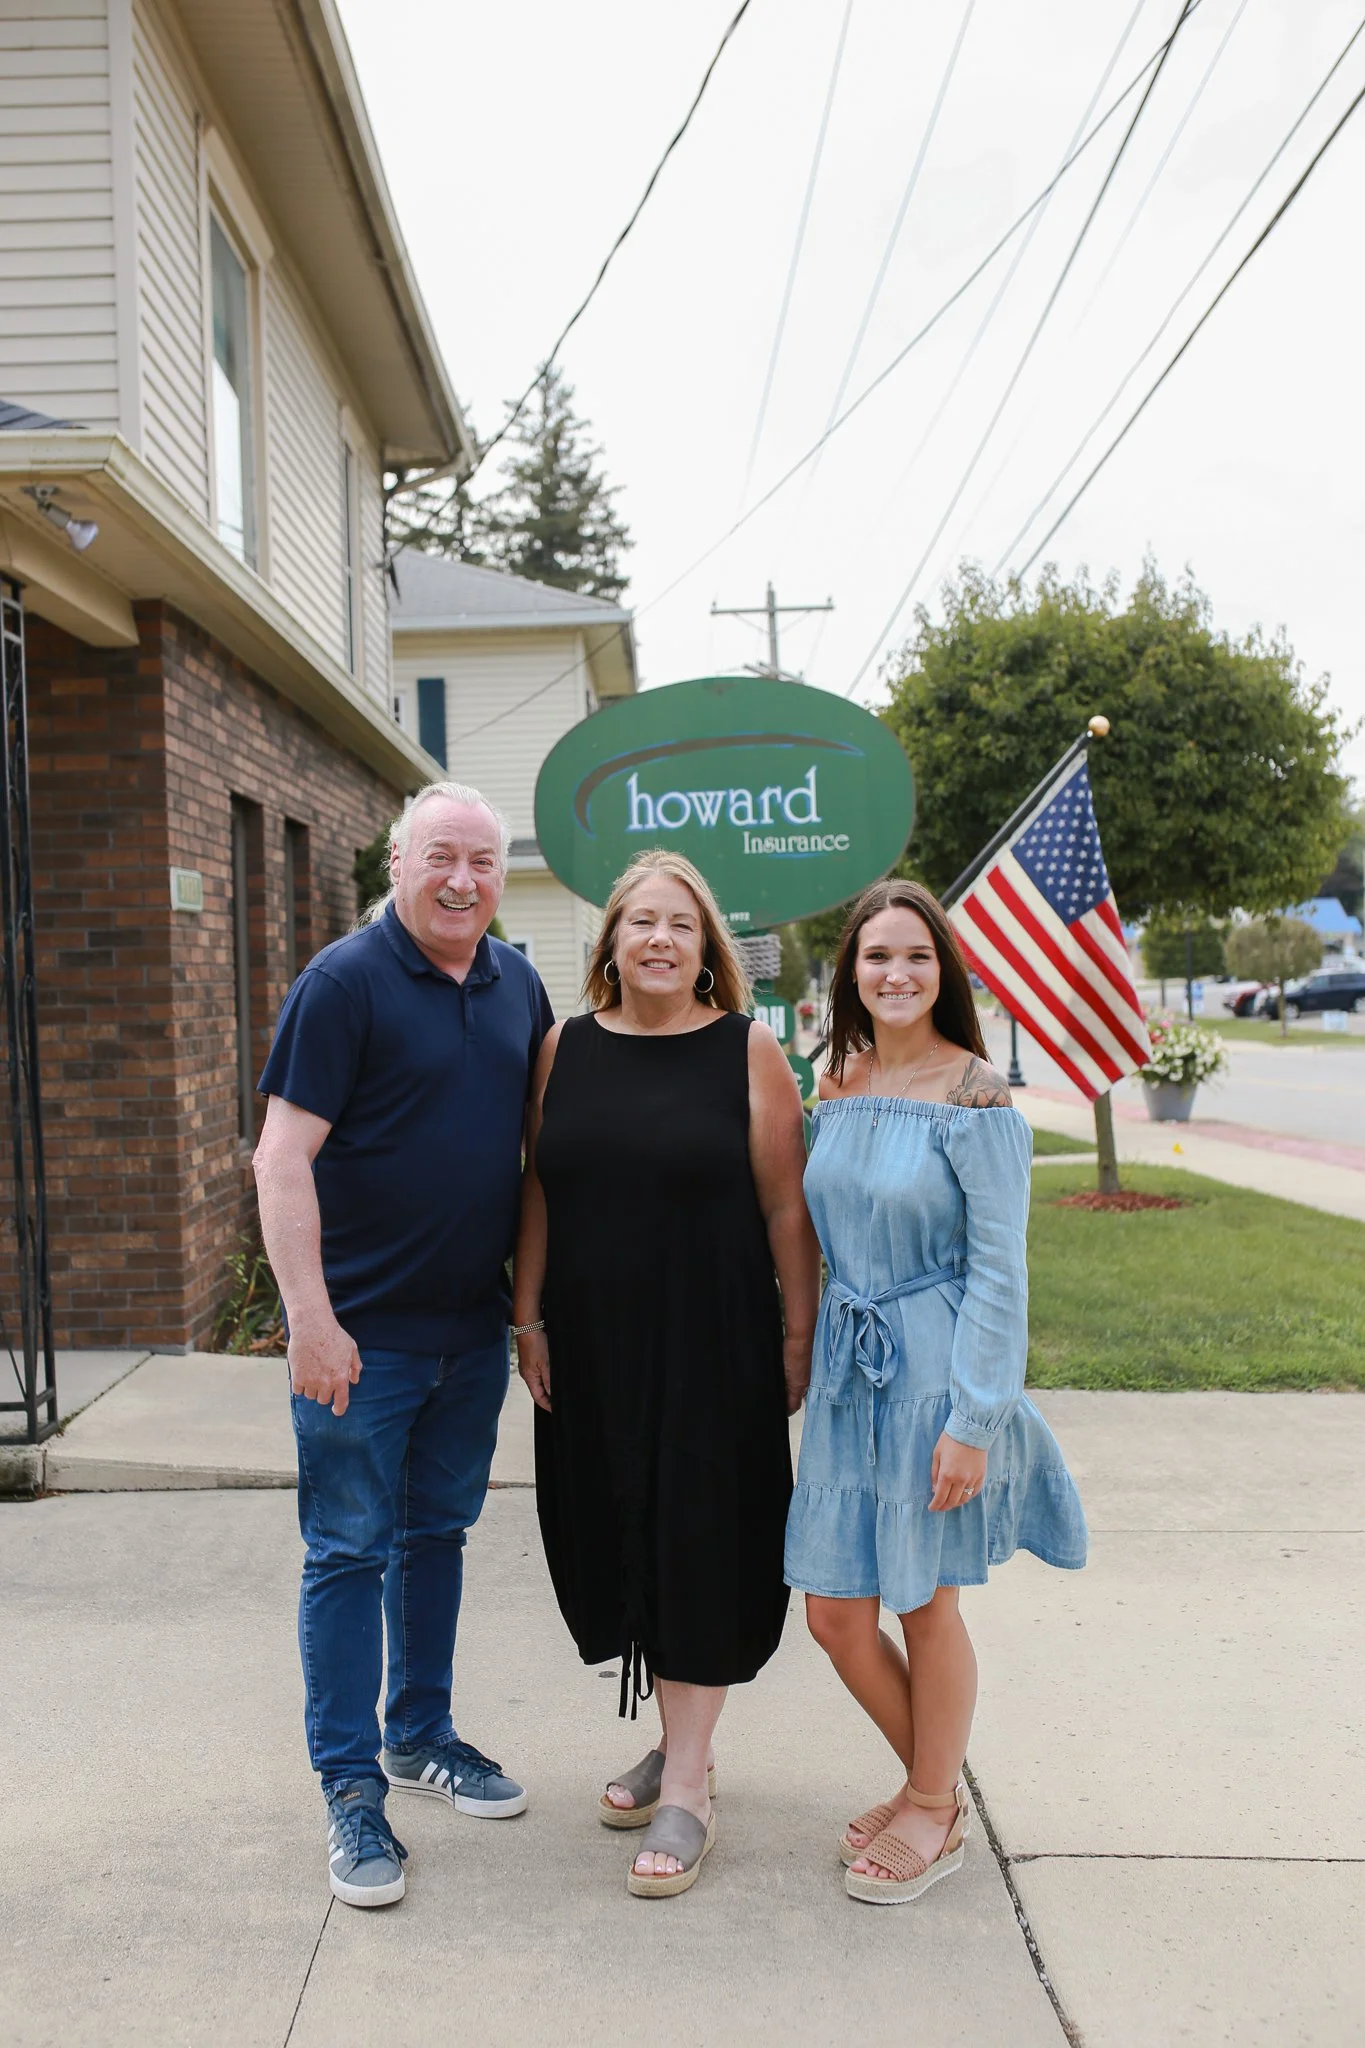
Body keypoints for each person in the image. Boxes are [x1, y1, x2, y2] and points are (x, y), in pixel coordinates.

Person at [253, 780, 553, 1910]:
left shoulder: (516, 981)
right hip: (360, 1343)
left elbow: (536, 1157)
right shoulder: (343, 983)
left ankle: (420, 1733)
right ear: (398, 864)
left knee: (437, 1535)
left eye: (481, 861)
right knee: (347, 1551)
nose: (462, 880)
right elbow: (280, 1159)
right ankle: (349, 1787)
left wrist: (524, 1316)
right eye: (440, 858)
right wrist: (311, 1318)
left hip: (467, 1335)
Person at [513, 849, 819, 1898]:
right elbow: (540, 1186)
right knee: (621, 1526)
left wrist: (796, 1336)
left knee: (698, 1536)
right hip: (593, 1339)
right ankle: (678, 1742)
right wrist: (526, 1315)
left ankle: (687, 1781)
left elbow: (786, 1207)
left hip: (712, 1337)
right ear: (610, 942)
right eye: (640, 920)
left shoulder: (748, 1049)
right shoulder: (563, 1048)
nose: (658, 938)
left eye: (680, 924)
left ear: (705, 949)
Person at [783, 878, 1087, 1905]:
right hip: (849, 1374)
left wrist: (974, 1420)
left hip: (932, 1373)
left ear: (943, 970)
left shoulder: (976, 1095)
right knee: (835, 1614)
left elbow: (1001, 1271)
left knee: (922, 1601)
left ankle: (927, 1802)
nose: (897, 972)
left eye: (916, 955)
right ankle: (936, 1786)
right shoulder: (838, 1079)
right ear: (851, 973)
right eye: (877, 955)